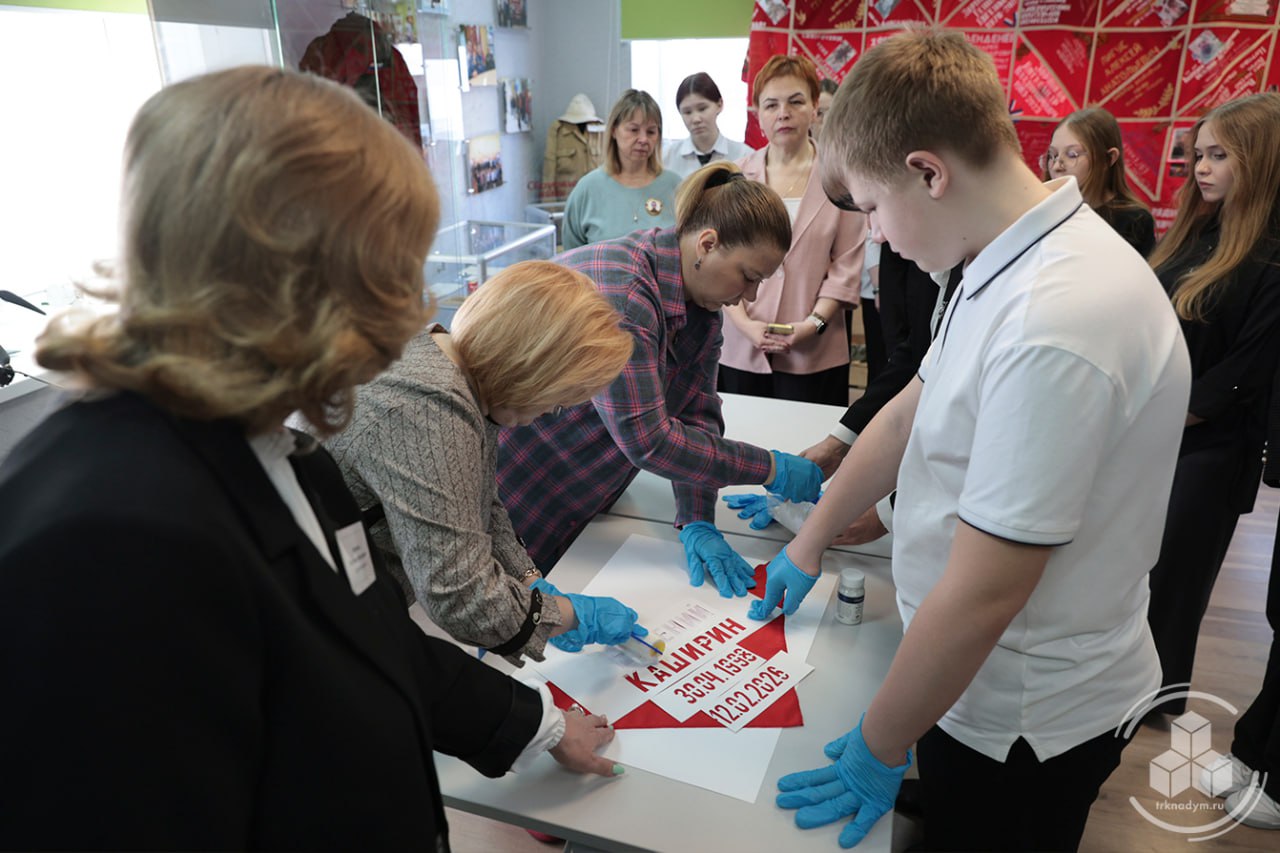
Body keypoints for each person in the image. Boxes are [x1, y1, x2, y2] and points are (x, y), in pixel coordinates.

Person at [0, 67, 620, 850]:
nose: (408, 311)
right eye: (387, 270)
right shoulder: (104, 534)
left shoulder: (282, 453)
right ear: (275, 268)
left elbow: (374, 640)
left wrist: (535, 724)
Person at [753, 31, 1190, 851]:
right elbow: (910, 410)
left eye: (874, 208)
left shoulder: (1054, 320)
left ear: (929, 172)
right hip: (963, 677)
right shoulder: (997, 259)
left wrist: (880, 743)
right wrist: (811, 539)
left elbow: (989, 592)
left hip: (1021, 709)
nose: (879, 236)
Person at [498, 161, 825, 586]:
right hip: (521, 483)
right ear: (707, 244)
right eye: (748, 277)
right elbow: (649, 440)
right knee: (513, 603)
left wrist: (696, 516)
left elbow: (697, 414)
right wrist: (769, 468)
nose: (749, 296)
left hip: (585, 484)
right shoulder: (626, 297)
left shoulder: (700, 305)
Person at [319, 260, 645, 664]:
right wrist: (566, 615)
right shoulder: (430, 410)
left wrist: (530, 581)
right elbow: (459, 596)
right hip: (318, 618)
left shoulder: (451, 367)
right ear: (530, 366)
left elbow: (478, 501)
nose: (550, 413)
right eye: (558, 399)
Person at [1144, 92, 1280, 718]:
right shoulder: (1198, 232)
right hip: (1156, 431)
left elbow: (1242, 375)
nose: (1201, 167)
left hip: (1210, 449)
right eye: (1198, 154)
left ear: (1260, 159)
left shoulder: (1269, 257)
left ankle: (1154, 698)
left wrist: (1161, 418)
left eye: (1219, 155)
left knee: (1175, 583)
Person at [719, 54, 865, 405]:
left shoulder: (840, 177)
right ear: (758, 114)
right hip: (741, 348)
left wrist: (813, 324)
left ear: (815, 108)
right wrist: (745, 325)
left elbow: (845, 266)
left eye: (796, 102)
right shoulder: (735, 176)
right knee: (741, 434)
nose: (783, 113)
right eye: (771, 105)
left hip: (815, 351)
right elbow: (720, 261)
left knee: (810, 436)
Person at [562, 89, 682, 249]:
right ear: (613, 130)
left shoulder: (676, 186)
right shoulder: (587, 189)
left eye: (651, 132)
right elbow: (570, 257)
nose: (643, 139)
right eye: (633, 130)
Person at [1042, 107, 1156, 256]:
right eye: (1053, 155)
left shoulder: (1134, 221)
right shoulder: (1044, 213)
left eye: (1072, 154)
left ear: (1108, 159)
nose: (1056, 166)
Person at [663, 72, 753, 179]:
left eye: (702, 109)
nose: (696, 119)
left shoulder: (744, 155)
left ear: (720, 104)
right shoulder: (666, 157)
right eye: (687, 112)